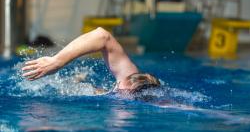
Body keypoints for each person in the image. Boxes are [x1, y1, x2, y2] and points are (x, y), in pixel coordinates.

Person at [22, 27, 160, 95]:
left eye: (121, 86)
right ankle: (78, 81)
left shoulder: (133, 89)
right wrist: (57, 61)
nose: (118, 86)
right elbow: (102, 36)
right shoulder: (131, 78)